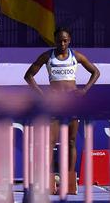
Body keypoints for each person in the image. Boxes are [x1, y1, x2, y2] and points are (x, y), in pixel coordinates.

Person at [23, 27, 100, 178]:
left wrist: (84, 90)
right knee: (50, 143)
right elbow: (28, 76)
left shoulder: (76, 56)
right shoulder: (47, 56)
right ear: (55, 40)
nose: (62, 43)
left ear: (69, 40)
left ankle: (70, 176)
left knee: (71, 141)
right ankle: (47, 176)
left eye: (65, 40)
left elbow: (95, 72)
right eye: (59, 40)